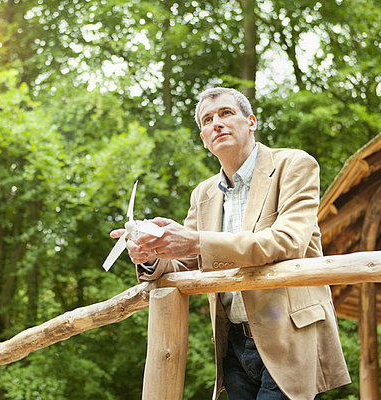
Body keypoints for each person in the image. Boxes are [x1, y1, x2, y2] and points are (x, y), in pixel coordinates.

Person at [111, 87, 350, 400]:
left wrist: (194, 240)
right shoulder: (203, 193)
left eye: (226, 113)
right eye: (207, 120)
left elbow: (288, 241)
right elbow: (189, 261)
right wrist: (151, 254)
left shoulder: (294, 165)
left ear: (250, 121)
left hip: (289, 335)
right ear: (204, 139)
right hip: (232, 343)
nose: (217, 123)